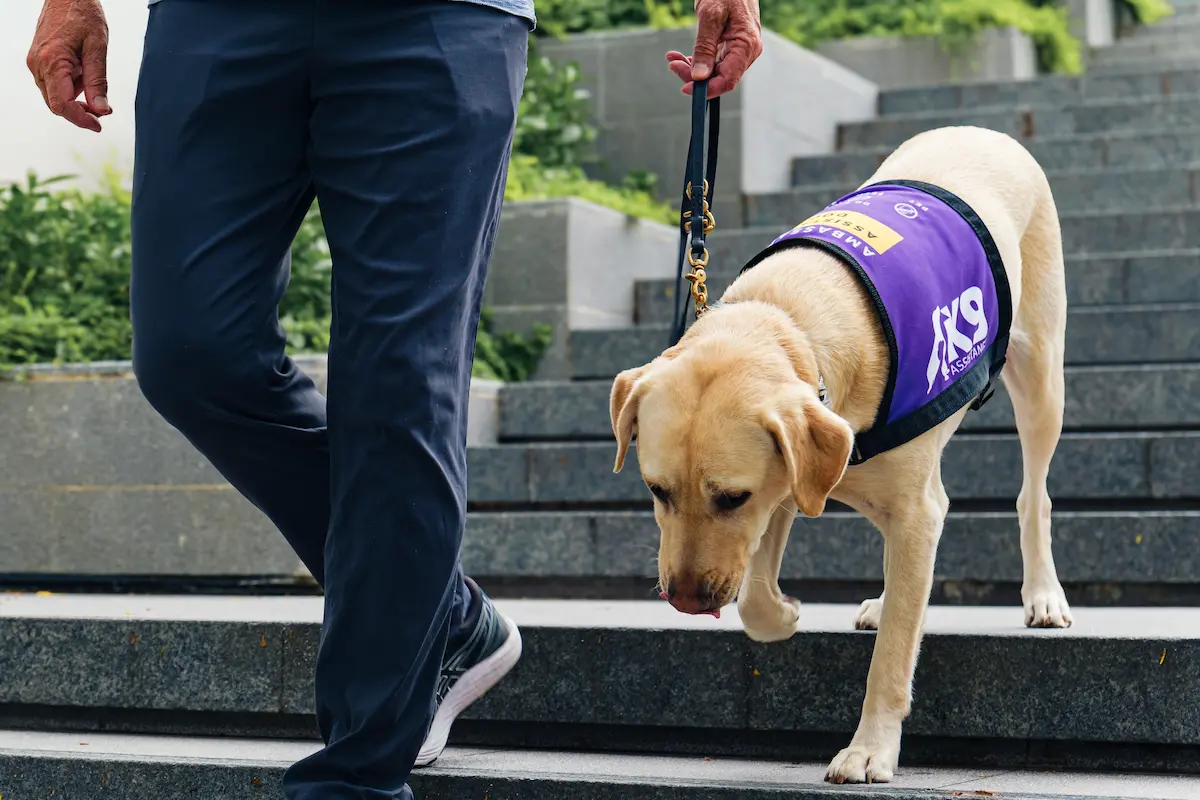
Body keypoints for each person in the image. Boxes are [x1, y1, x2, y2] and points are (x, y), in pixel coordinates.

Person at [26, 1, 764, 797]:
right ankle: (438, 618)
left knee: (399, 388)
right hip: (215, 18)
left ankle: (358, 777)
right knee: (190, 356)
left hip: (441, 20)